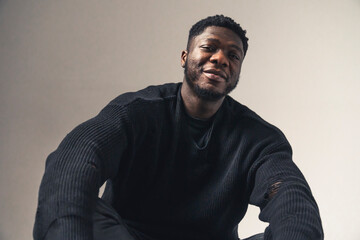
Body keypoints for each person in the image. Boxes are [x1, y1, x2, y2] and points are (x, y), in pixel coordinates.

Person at [33, 15, 323, 240]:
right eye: (209, 47)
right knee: (77, 196)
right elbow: (75, 160)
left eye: (233, 56)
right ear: (185, 58)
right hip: (126, 236)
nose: (221, 58)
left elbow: (291, 199)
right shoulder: (136, 112)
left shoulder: (260, 139)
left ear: (238, 71)